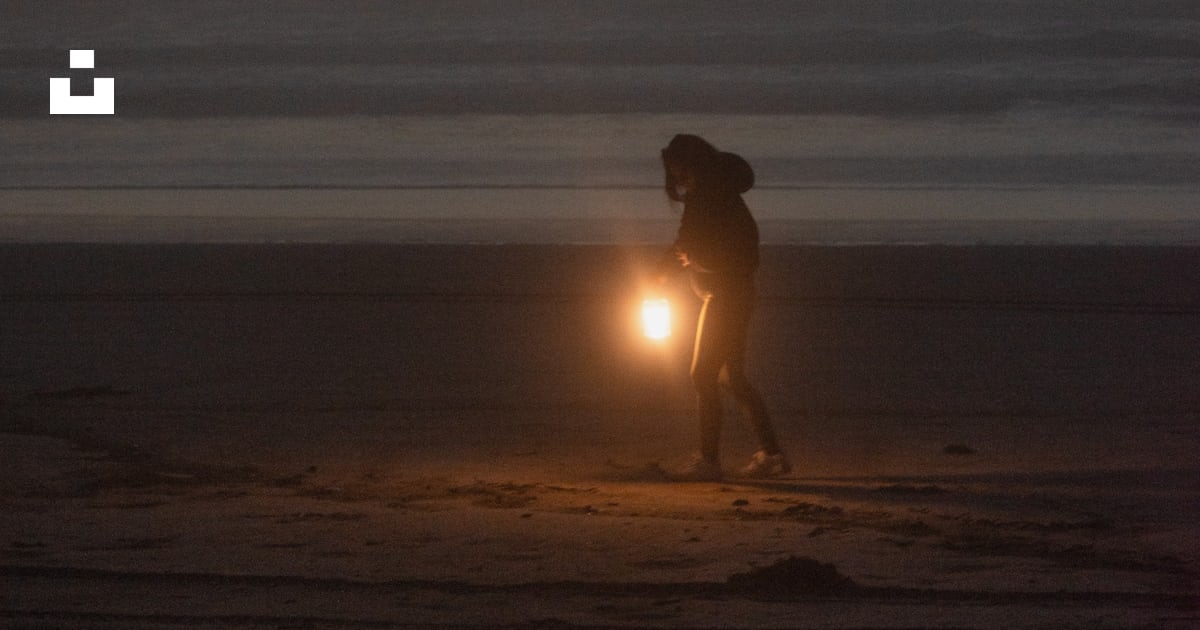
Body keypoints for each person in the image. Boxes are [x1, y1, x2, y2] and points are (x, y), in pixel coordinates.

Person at [655, 134, 790, 481]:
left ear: (692, 164)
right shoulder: (713, 195)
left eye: (678, 169)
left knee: (703, 374)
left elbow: (739, 255)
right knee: (732, 378)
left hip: (726, 295)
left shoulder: (712, 197)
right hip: (730, 294)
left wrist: (693, 262)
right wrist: (666, 272)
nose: (676, 178)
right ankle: (772, 455)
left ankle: (709, 461)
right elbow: (686, 243)